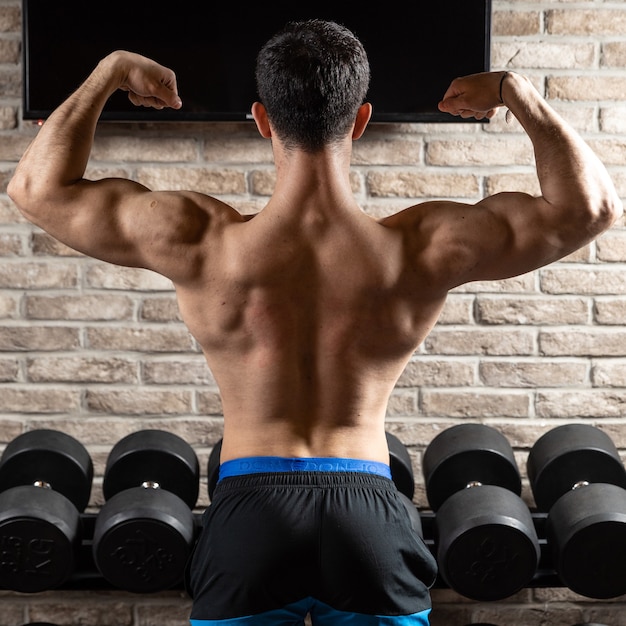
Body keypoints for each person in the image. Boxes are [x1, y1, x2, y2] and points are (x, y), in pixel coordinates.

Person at [7, 18, 622, 626]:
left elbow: (36, 189)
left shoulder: (199, 241)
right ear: (360, 120)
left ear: (262, 119)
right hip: (368, 510)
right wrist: (518, 91)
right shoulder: (420, 248)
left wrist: (110, 72)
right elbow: (590, 207)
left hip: (250, 510)